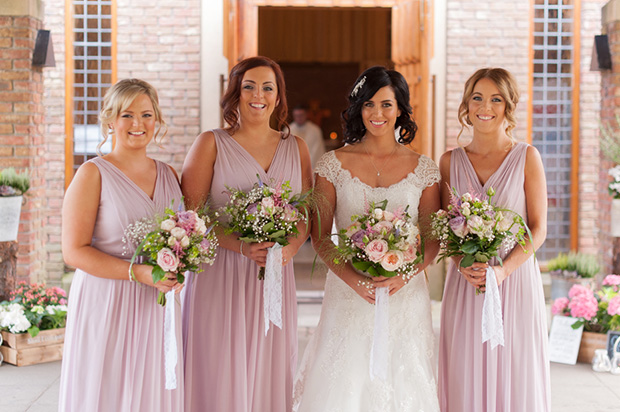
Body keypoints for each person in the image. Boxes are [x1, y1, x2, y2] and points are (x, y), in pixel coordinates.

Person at [293, 66, 441, 411]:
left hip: (405, 295)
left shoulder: (425, 168)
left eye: (387, 105)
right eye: (369, 104)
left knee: (405, 381)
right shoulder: (332, 164)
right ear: (359, 108)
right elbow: (321, 237)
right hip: (348, 293)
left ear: (401, 109)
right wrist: (354, 281)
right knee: (344, 383)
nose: (377, 114)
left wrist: (403, 278)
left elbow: (433, 238)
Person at [181, 56, 313, 412]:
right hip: (221, 274)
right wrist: (239, 246)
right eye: (249, 86)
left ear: (278, 96)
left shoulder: (296, 147)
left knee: (270, 365)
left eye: (268, 87)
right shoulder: (211, 142)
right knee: (219, 364)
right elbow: (191, 215)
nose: (259, 95)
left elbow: (305, 213)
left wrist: (291, 247)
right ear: (236, 94)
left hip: (274, 275)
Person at [59, 79, 184, 411]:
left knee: (151, 393)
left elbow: (182, 236)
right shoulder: (92, 174)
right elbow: (73, 251)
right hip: (107, 303)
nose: (138, 124)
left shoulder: (170, 174)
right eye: (127, 115)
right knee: (108, 390)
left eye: (146, 114)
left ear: (156, 120)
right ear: (110, 120)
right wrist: (137, 272)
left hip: (156, 304)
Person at [438, 68, 550, 412]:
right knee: (463, 369)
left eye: (495, 99)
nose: (485, 107)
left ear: (507, 106)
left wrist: (502, 271)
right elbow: (447, 230)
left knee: (515, 371)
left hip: (513, 283)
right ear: (467, 105)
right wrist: (465, 264)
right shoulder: (449, 162)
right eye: (477, 98)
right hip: (467, 284)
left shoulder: (526, 157)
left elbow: (538, 227)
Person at [289, 103, 326, 169]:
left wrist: (306, 165)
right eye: (296, 115)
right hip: (292, 167)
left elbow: (317, 151)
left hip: (311, 166)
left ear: (306, 115)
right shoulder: (288, 130)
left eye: (301, 115)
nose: (299, 118)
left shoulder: (315, 130)